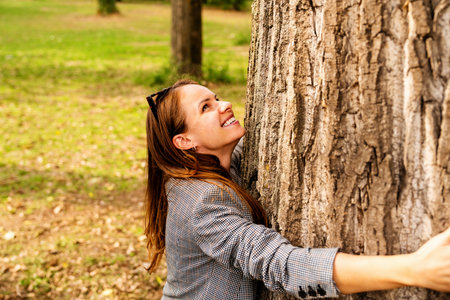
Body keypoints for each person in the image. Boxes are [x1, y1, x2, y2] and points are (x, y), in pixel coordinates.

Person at [144, 79, 450, 299]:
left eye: (217, 97)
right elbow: (283, 265)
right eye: (206, 107)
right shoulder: (202, 202)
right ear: (185, 142)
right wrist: (413, 269)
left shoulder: (209, 166)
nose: (225, 105)